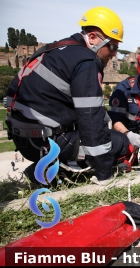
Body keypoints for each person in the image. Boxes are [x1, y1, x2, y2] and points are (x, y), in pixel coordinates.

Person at [5, 6, 131, 186]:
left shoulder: (55, 49)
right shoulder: (86, 61)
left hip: (23, 137)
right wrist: (105, 173)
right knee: (120, 143)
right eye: (111, 46)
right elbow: (91, 119)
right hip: (45, 143)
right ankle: (49, 173)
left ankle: (47, 169)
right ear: (93, 37)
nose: (114, 54)